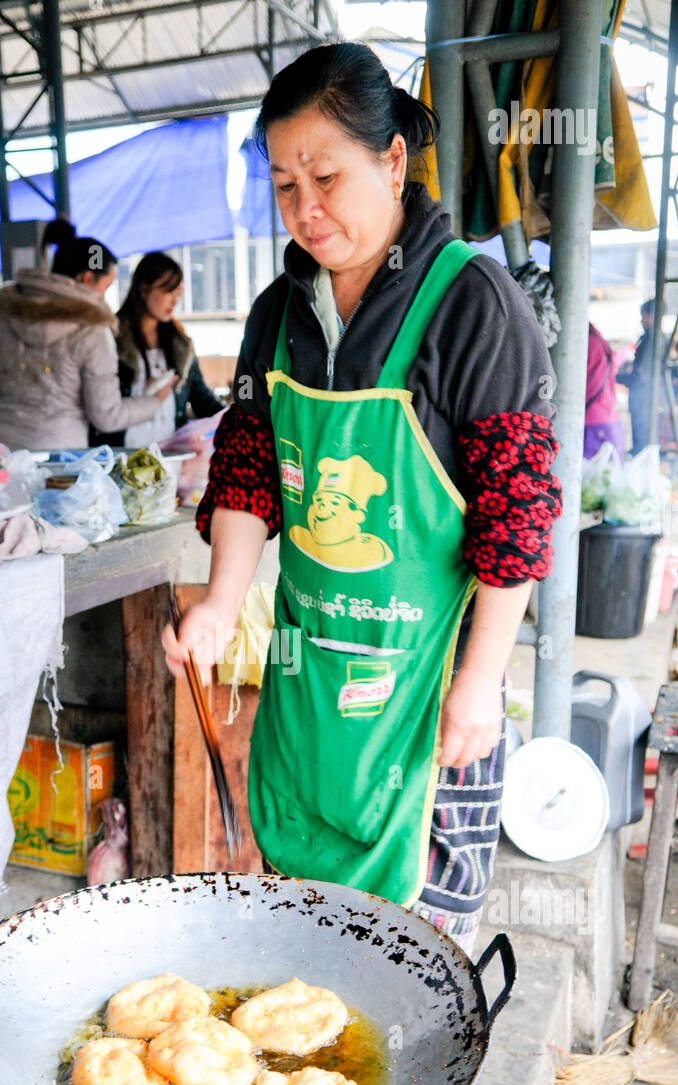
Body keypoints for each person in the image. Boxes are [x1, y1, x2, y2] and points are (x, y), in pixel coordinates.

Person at [162, 43, 563, 960]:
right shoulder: (278, 312)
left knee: (412, 964)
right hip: (312, 678)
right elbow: (248, 468)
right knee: (299, 933)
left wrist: (477, 686)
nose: (305, 209)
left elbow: (517, 515)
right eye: (282, 184)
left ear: (391, 161)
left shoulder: (471, 303)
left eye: (326, 176)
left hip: (431, 686)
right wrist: (222, 603)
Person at [0, 220, 173, 450]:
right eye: (106, 286)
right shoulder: (92, 328)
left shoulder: (1, 313)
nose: (104, 297)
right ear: (87, 279)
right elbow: (106, 415)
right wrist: (154, 402)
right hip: (60, 457)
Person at [100, 252, 221, 450]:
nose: (174, 302)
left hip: (169, 460)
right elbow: (100, 406)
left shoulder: (180, 344)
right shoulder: (110, 338)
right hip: (118, 457)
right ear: (143, 289)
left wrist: (238, 416)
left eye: (178, 294)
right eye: (168, 292)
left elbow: (202, 400)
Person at [617, 299, 671, 454]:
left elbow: (642, 376)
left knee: (642, 449)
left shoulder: (652, 338)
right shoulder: (657, 337)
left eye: (643, 316)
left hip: (645, 403)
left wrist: (618, 378)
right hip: (647, 401)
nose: (642, 321)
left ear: (651, 316)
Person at [584, 323, 624, 461]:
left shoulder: (584, 341)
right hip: (610, 422)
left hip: (594, 425)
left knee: (589, 478)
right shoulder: (598, 341)